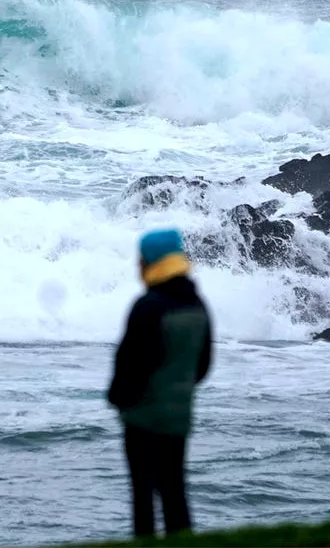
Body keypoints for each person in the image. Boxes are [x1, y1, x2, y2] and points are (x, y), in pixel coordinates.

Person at [107, 228, 213, 538]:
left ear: (152, 262)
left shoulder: (148, 306)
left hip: (142, 417)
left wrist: (119, 399)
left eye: (141, 260)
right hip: (179, 415)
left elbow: (130, 365)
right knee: (175, 492)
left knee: (143, 496)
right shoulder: (198, 305)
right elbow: (203, 365)